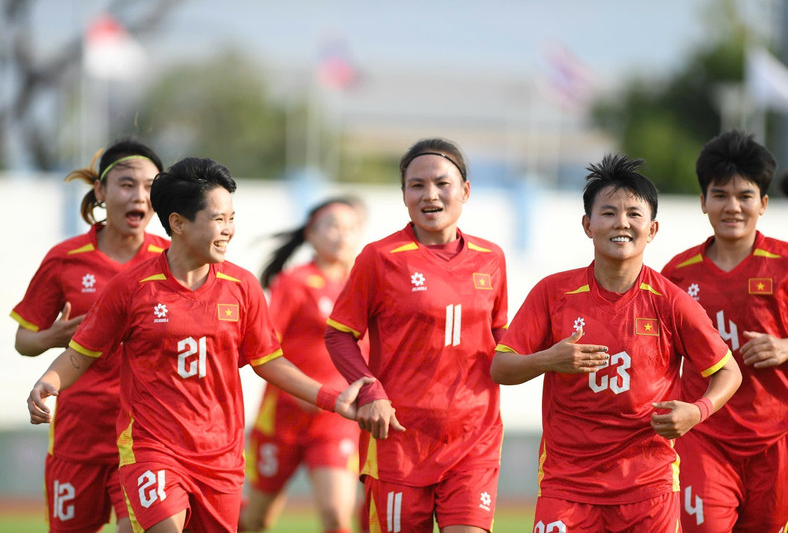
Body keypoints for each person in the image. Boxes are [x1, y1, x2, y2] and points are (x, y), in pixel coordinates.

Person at [26, 158, 372, 533]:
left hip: (220, 457)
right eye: (218, 219)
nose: (229, 231)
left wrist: (332, 400)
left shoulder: (242, 287)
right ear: (177, 223)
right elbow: (82, 352)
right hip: (152, 448)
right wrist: (51, 381)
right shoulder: (132, 288)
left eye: (231, 218)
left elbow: (269, 362)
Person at [490, 154, 742, 533]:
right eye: (608, 213)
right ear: (587, 225)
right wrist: (548, 360)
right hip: (567, 483)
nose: (621, 222)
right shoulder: (553, 293)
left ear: (652, 229)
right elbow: (500, 368)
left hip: (648, 485)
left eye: (633, 214)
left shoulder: (670, 301)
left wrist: (697, 411)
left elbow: (728, 371)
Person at [325, 138, 509, 533]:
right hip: (398, 440)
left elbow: (502, 336)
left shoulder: (491, 258)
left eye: (443, 184)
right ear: (404, 194)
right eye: (416, 185)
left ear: (465, 191)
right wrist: (371, 391)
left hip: (473, 438)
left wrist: (546, 355)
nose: (431, 196)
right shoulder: (380, 257)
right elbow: (339, 334)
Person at [10, 136, 168, 533]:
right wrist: (54, 336)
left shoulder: (170, 260)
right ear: (101, 190)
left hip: (142, 437)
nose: (140, 196)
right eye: (128, 184)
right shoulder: (65, 259)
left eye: (150, 187)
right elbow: (23, 340)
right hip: (77, 435)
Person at [661, 130, 788, 532]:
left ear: (764, 203)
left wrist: (786, 347)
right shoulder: (677, 275)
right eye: (720, 195)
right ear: (703, 202)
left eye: (745, 196)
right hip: (705, 436)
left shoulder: (784, 265)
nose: (732, 206)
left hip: (776, 439)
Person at [241, 198, 366, 533]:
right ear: (312, 233)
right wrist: (297, 388)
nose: (342, 235)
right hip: (282, 416)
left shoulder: (364, 287)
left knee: (337, 517)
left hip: (335, 421)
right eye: (333, 226)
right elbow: (264, 344)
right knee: (255, 521)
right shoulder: (294, 283)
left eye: (351, 227)